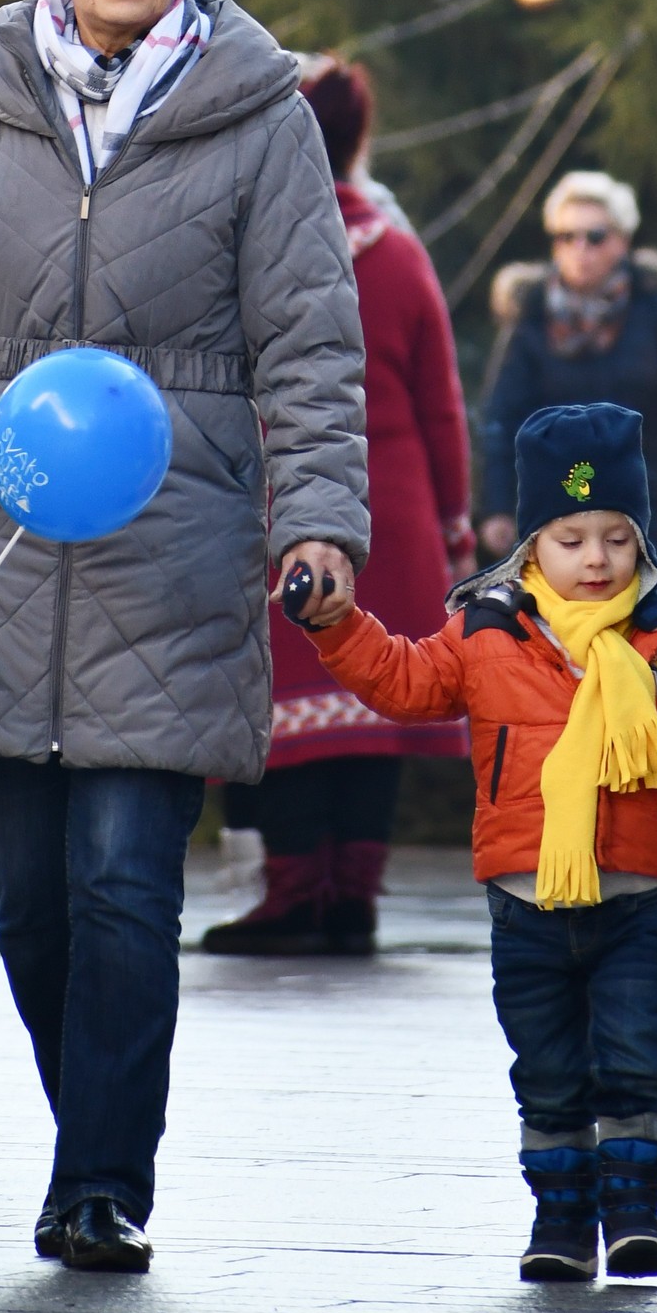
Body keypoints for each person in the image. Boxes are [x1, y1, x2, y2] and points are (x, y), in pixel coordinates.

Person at [0, 0, 368, 1276]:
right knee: (27, 898)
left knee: (123, 883)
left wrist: (319, 519)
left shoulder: (259, 113)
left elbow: (309, 338)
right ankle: (85, 1131)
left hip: (175, 533)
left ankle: (99, 1181)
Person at [294, 398, 657, 1283]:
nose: (596, 560)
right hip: (526, 905)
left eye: (617, 538)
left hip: (634, 902)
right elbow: (405, 680)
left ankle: (635, 1213)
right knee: (548, 1072)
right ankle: (561, 1221)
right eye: (572, 540)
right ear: (532, 544)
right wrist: (336, 625)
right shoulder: (485, 632)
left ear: (641, 542)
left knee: (635, 1060)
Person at [206, 56, 473, 957]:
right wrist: (455, 524)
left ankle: (293, 895)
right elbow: (441, 405)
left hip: (285, 505)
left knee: (286, 710)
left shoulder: (251, 249)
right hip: (391, 515)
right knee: (372, 715)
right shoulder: (399, 252)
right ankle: (354, 895)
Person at [482, 173, 657, 589]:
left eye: (595, 236)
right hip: (557, 526)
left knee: (654, 631)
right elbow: (501, 420)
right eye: (566, 236)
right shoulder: (530, 318)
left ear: (623, 241)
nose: (580, 249)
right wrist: (496, 508)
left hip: (654, 525)